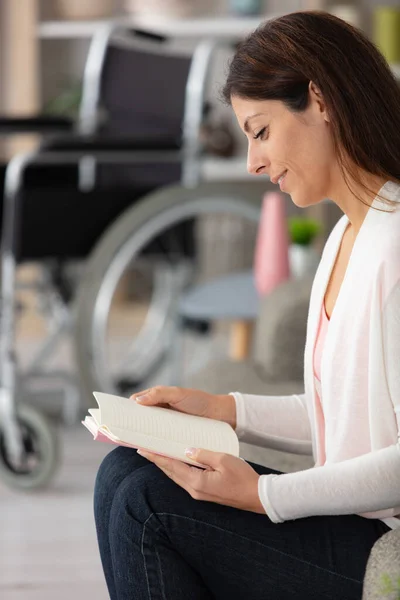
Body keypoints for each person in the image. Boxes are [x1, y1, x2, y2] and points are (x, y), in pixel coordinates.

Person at [93, 11, 400, 599]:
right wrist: (221, 408)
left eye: (260, 131)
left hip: (382, 545)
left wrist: (263, 496)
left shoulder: (393, 246)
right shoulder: (345, 237)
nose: (253, 162)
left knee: (146, 504)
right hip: (350, 527)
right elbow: (339, 413)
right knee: (124, 472)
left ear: (320, 99)